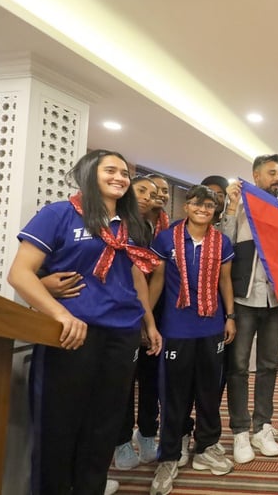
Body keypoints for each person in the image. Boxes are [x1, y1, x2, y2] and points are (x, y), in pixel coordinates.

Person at [7, 149, 162, 495]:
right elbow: (20, 274)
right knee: (59, 426)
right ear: (90, 174)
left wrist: (148, 323)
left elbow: (135, 276)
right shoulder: (60, 214)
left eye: (125, 173)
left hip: (122, 335)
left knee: (104, 425)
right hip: (72, 334)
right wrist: (60, 313)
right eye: (111, 170)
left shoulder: (131, 224)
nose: (120, 177)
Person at [148, 185, 237, 494]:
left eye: (209, 205)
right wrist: (148, 321)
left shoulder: (222, 242)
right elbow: (157, 280)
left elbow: (225, 281)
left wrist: (231, 316)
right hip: (176, 329)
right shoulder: (166, 239)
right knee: (173, 394)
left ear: (215, 211)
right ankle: (170, 454)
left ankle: (207, 445)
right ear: (186, 206)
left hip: (211, 327)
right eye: (197, 203)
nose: (203, 209)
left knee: (209, 391)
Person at [221, 154, 278, 464]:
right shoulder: (240, 205)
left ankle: (261, 426)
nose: (277, 177)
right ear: (256, 176)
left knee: (268, 365)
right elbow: (223, 245)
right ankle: (240, 430)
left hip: (276, 300)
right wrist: (230, 206)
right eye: (271, 172)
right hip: (243, 298)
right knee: (238, 367)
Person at [113, 176, 161, 470]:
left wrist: (149, 320)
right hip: (118, 315)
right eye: (141, 190)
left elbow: (145, 277)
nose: (146, 197)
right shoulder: (114, 223)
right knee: (122, 383)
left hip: (148, 312)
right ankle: (119, 441)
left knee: (150, 378)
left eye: (152, 194)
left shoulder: (147, 229)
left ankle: (146, 433)